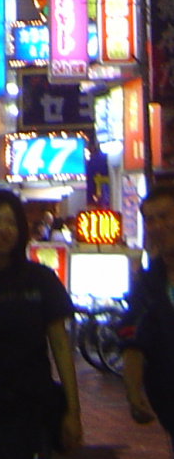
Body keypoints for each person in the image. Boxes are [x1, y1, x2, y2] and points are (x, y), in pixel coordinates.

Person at [0, 188, 82, 459]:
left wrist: (73, 411)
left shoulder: (40, 280)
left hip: (34, 405)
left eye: (11, 222)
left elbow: (61, 348)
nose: (3, 229)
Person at [120, 182, 174, 443]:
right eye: (150, 220)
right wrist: (132, 390)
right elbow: (134, 335)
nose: (157, 227)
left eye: (164, 216)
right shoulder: (149, 282)